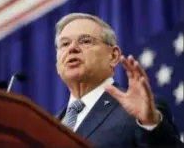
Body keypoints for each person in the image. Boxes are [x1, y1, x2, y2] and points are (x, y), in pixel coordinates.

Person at [55, 13, 182, 147]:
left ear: (113, 56)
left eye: (85, 41)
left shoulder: (140, 111)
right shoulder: (48, 123)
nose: (72, 48)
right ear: (57, 63)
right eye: (64, 44)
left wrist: (150, 124)